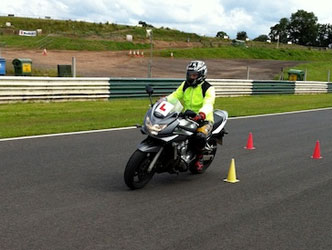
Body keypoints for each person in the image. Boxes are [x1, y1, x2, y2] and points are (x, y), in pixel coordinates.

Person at [167, 60, 215, 171]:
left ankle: (199, 159)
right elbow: (175, 96)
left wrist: (201, 114)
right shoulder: (185, 85)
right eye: (189, 74)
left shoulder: (208, 88)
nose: (191, 77)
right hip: (187, 116)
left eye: (194, 75)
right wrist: (164, 101)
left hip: (204, 119)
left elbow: (209, 103)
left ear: (201, 75)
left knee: (199, 137)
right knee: (170, 129)